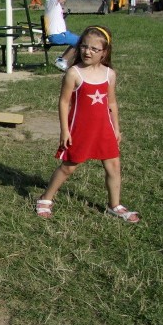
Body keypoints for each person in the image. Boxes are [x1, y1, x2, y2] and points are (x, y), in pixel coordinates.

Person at [35, 26, 139, 223]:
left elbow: (112, 103)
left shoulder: (110, 74)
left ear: (105, 52)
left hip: (104, 129)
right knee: (69, 167)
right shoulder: (74, 73)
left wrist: (116, 127)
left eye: (94, 49)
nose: (87, 52)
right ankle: (46, 198)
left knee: (114, 166)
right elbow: (64, 102)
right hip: (80, 130)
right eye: (83, 46)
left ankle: (114, 205)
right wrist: (65, 130)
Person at [44, 0, 80, 71]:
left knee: (82, 41)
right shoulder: (53, 1)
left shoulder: (54, 5)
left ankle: (63, 60)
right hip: (57, 35)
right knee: (82, 42)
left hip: (61, 34)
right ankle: (63, 61)